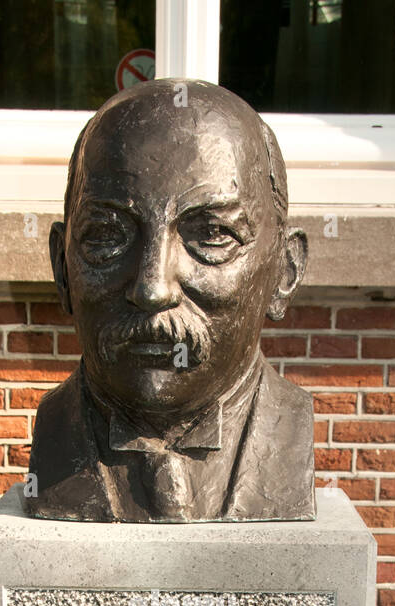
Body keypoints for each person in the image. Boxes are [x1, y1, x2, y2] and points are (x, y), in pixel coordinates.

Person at [25, 78, 314, 523]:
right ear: (61, 269)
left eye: (212, 234)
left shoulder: (289, 433)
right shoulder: (55, 437)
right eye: (108, 235)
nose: (152, 288)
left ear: (284, 272)